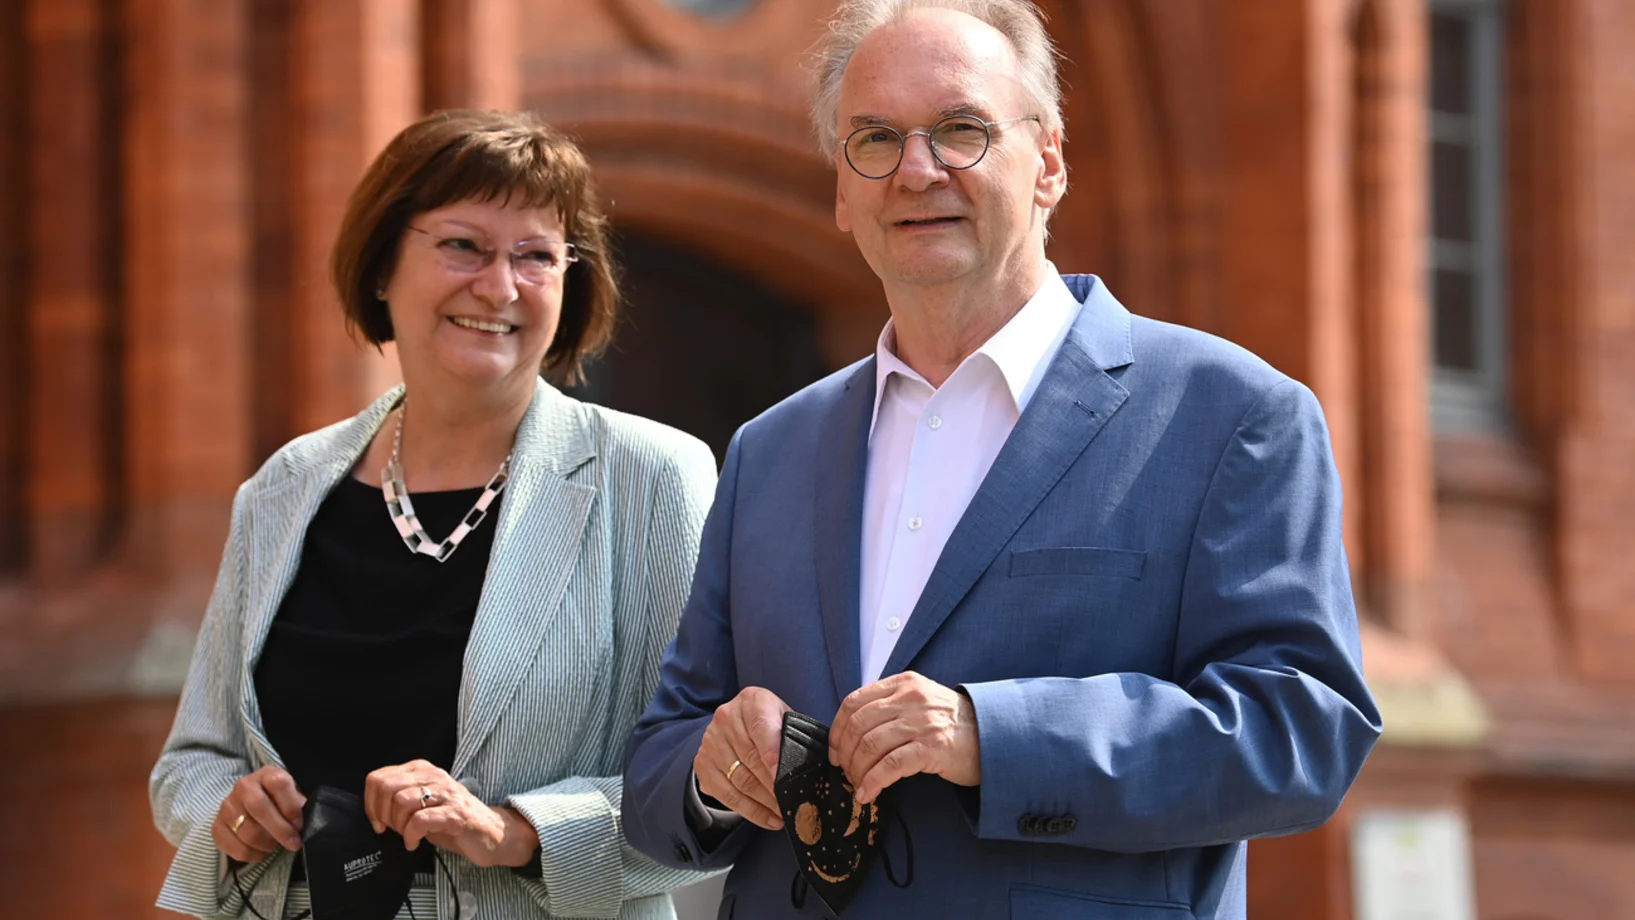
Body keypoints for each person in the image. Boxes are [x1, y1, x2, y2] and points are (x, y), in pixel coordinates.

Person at [621, 1, 1383, 917]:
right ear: (841, 192)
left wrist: (992, 735)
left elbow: (1300, 733)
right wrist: (708, 769)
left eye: (960, 130)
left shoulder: (1229, 415)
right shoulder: (771, 449)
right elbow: (656, 769)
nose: (915, 170)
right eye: (874, 139)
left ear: (1048, 162)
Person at [150, 110, 717, 920]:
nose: (499, 286)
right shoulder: (285, 486)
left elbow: (710, 778)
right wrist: (228, 810)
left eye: (535, 256)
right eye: (463, 246)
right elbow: (190, 763)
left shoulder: (651, 477)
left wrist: (518, 832)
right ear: (383, 265)